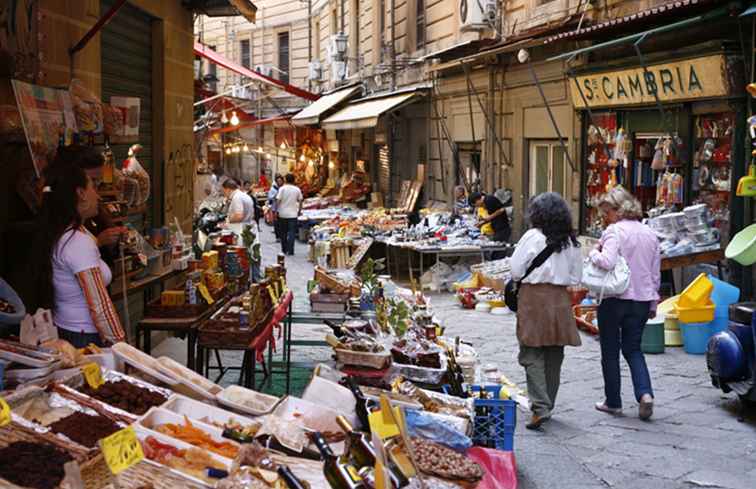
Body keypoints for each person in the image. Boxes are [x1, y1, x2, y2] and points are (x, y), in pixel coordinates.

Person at [31, 154, 126, 348]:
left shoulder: (64, 232)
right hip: (84, 337)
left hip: (68, 330)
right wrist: (122, 347)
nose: (97, 195)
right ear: (81, 193)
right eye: (93, 187)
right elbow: (99, 306)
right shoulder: (78, 242)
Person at [510, 192, 582, 430]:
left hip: (533, 298)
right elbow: (576, 277)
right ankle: (547, 404)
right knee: (554, 354)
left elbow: (516, 270)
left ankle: (540, 407)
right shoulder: (570, 241)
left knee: (531, 352)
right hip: (560, 299)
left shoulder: (532, 236)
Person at [590, 186, 660, 421]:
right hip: (641, 299)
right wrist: (653, 303)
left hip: (614, 299)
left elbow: (607, 262)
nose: (604, 218)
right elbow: (655, 273)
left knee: (610, 350)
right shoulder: (649, 233)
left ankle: (613, 402)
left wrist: (592, 254)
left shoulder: (614, 231)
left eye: (607, 212)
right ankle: (645, 394)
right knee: (633, 349)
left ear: (618, 210)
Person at [52, 144, 128, 263]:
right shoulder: (58, 221)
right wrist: (98, 242)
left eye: (98, 182)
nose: (96, 192)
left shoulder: (92, 211)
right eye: (92, 181)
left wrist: (114, 240)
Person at [276, 173, 303, 256]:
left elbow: (278, 200)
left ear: (286, 180)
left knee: (283, 232)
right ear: (294, 180)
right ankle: (290, 250)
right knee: (292, 233)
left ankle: (284, 249)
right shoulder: (297, 189)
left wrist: (277, 210)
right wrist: (299, 210)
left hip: (282, 214)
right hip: (293, 214)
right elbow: (301, 200)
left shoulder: (282, 189)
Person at [267, 174, 284, 241]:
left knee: (282, 223)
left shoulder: (284, 188)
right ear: (276, 182)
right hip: (275, 208)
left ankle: (282, 235)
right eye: (278, 181)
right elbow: (270, 197)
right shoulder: (273, 189)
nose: (279, 182)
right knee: (276, 223)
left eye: (280, 181)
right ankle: (278, 237)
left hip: (283, 208)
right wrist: (276, 195)